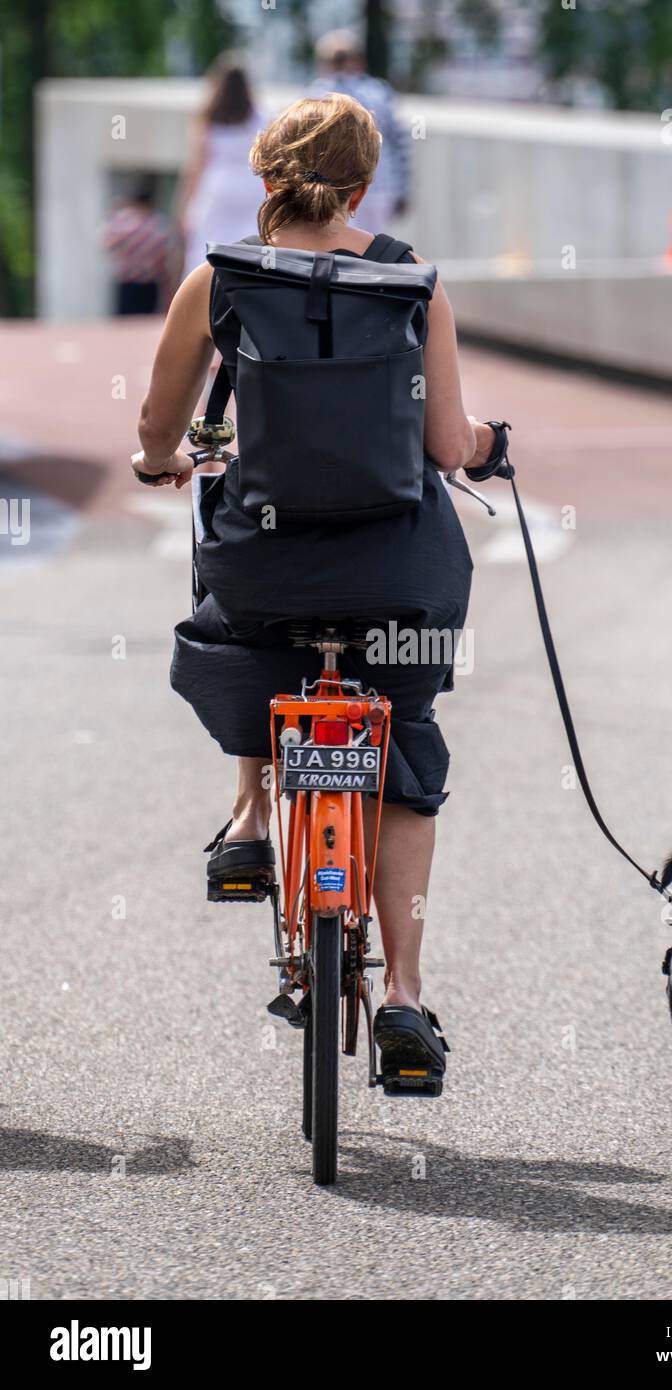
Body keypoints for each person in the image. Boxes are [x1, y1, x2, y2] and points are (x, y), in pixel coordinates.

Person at [131, 93, 502, 1078]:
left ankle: (251, 819)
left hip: (270, 560)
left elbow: (161, 422)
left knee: (241, 628)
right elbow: (445, 444)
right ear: (365, 185)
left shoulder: (220, 278)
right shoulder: (412, 285)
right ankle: (406, 998)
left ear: (263, 181)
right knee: (407, 736)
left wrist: (160, 456)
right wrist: (488, 444)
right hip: (399, 572)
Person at [307, 29, 411, 233]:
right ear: (358, 61)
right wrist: (403, 190)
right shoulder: (379, 92)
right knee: (374, 248)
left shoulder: (314, 95)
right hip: (378, 183)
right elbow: (400, 143)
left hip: (330, 189)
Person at [175, 51, 266, 279]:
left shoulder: (206, 117)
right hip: (253, 185)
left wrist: (183, 206)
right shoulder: (261, 116)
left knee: (208, 248)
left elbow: (196, 166)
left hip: (219, 186)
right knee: (250, 248)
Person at [102, 177, 171, 316]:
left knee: (126, 322)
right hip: (149, 281)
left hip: (127, 279)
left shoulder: (122, 220)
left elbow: (107, 242)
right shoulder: (156, 223)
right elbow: (164, 254)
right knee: (144, 320)